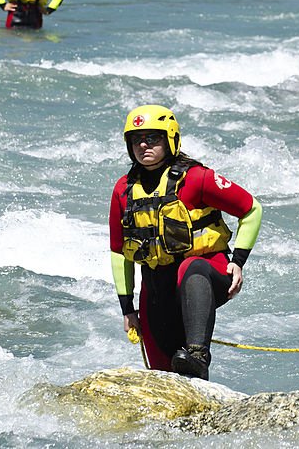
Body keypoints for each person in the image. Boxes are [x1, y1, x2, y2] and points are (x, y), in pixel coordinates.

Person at [108, 104, 262, 380]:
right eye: (136, 140)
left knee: (190, 267)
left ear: (170, 138)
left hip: (206, 275)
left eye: (152, 138)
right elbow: (119, 252)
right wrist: (127, 308)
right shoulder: (123, 190)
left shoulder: (197, 178)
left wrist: (238, 262)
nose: (143, 145)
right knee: (165, 380)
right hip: (156, 292)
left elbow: (251, 210)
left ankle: (198, 353)